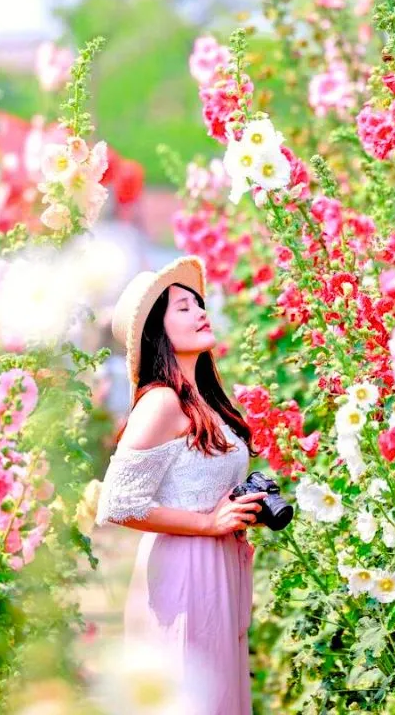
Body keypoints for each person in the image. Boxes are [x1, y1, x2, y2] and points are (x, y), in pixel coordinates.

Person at [95, 255, 266, 715]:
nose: (201, 312)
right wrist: (208, 522)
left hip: (221, 564)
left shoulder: (205, 402)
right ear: (158, 330)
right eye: (183, 308)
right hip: (185, 570)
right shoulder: (161, 402)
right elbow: (118, 503)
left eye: (199, 304)